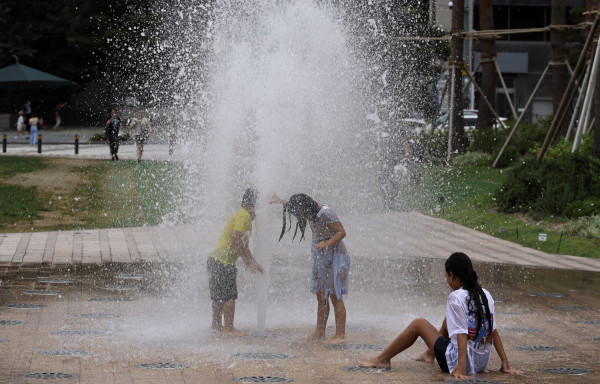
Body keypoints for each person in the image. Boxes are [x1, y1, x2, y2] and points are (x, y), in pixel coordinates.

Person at [358, 252, 522, 380]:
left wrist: (461, 366)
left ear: (451, 275)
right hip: (480, 363)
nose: (446, 280)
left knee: (418, 324)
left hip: (457, 363)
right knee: (449, 318)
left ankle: (383, 359)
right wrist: (505, 363)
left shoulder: (456, 297)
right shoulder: (484, 294)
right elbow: (493, 331)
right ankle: (430, 354)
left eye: (446, 276)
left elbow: (462, 334)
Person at [270, 193, 350, 344]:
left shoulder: (326, 213)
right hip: (321, 257)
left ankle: (340, 335)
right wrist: (281, 201)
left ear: (308, 208)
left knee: (334, 295)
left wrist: (328, 242)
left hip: (335, 258)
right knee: (321, 295)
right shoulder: (308, 208)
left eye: (301, 213)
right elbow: (295, 205)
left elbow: (341, 232)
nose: (302, 217)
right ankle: (319, 333)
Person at [207, 188, 264, 336]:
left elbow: (243, 244)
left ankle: (217, 325)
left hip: (215, 259)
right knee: (229, 296)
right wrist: (245, 259)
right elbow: (236, 238)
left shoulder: (241, 214)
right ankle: (229, 329)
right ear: (254, 206)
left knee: (218, 295)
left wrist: (252, 260)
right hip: (223, 261)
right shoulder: (245, 217)